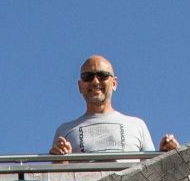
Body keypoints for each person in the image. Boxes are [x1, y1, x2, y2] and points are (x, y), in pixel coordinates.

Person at [49, 57, 182, 157]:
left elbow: (154, 174)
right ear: (80, 86)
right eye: (88, 76)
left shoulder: (137, 125)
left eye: (102, 75)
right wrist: (62, 162)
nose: (95, 81)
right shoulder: (65, 131)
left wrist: (168, 154)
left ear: (114, 83)